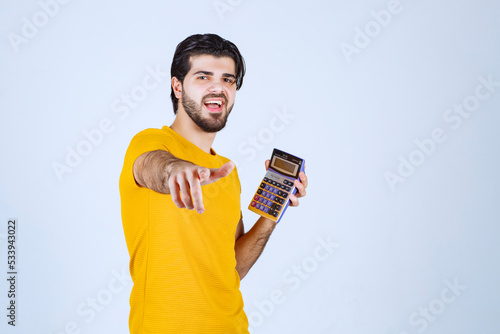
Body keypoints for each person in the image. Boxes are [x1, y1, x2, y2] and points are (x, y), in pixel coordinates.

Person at [119, 33, 307, 334]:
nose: (218, 87)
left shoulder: (226, 171)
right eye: (203, 77)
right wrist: (177, 171)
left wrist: (272, 215)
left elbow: (231, 267)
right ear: (177, 86)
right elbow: (152, 166)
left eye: (228, 80)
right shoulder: (151, 142)